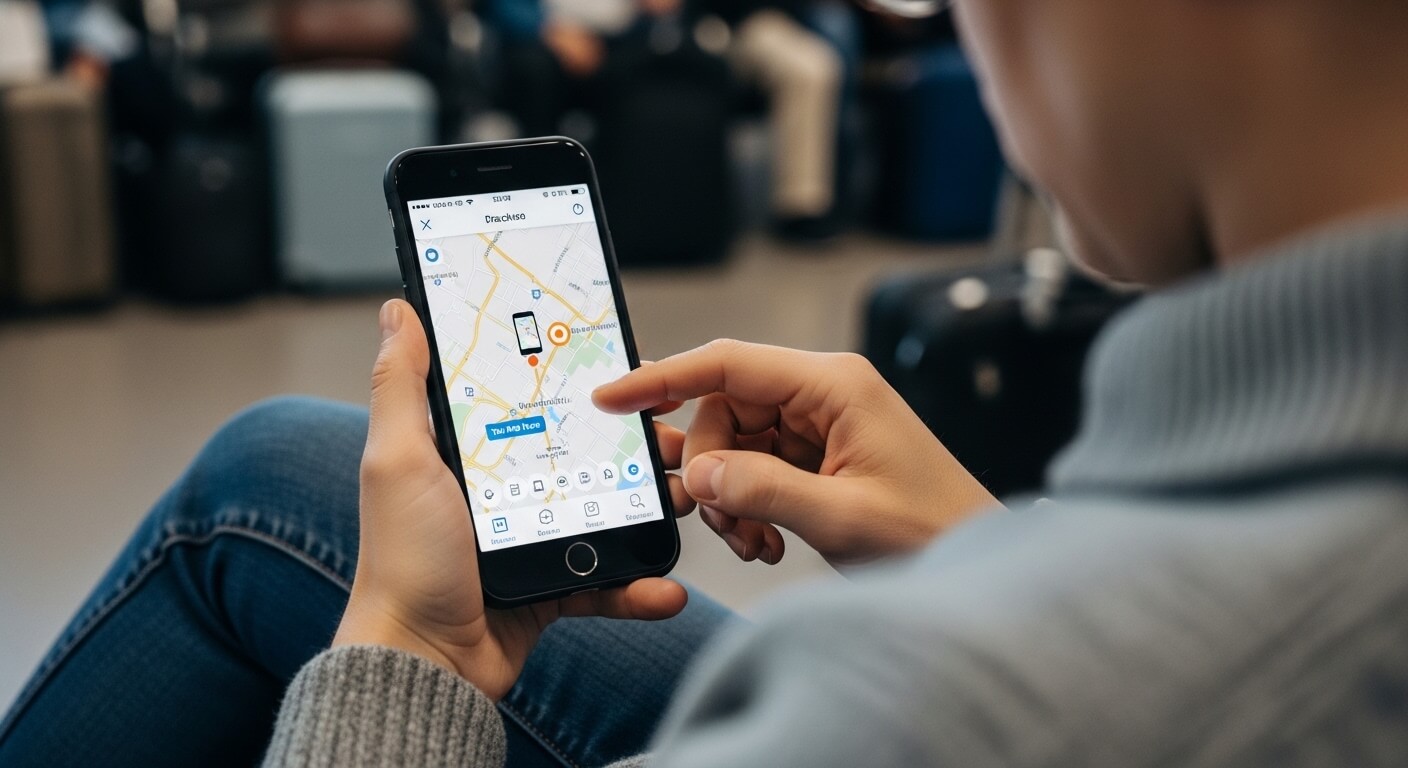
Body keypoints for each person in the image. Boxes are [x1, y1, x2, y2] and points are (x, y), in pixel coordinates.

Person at [5, 0, 1408, 764]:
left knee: (243, 517)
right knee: (274, 469)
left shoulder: (931, 702)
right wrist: (983, 545)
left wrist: (408, 663)